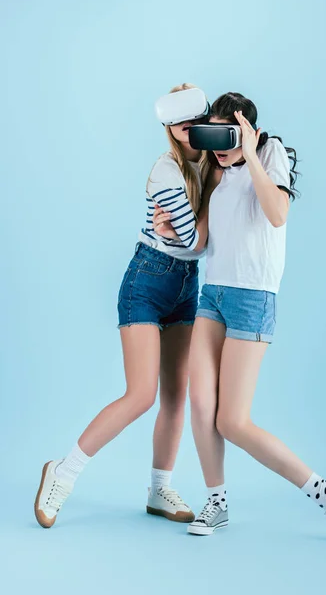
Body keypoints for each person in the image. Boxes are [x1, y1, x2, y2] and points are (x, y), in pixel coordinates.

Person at [153, 92, 326, 542]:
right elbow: (201, 243)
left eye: (228, 134)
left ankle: (325, 493)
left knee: (233, 421)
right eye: (212, 135)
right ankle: (217, 502)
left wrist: (249, 154)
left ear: (248, 129)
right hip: (213, 295)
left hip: (253, 297)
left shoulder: (269, 154)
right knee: (200, 404)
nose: (218, 145)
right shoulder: (215, 169)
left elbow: (277, 214)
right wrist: (173, 231)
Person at [34, 83, 216, 528]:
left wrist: (196, 217)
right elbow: (196, 240)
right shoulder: (165, 172)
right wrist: (197, 219)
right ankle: (61, 472)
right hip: (147, 281)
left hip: (186, 285)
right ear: (170, 130)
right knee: (141, 395)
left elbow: (196, 241)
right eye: (182, 127)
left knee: (175, 397)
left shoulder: (216, 164)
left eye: (197, 126)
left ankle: (159, 489)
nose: (191, 135)